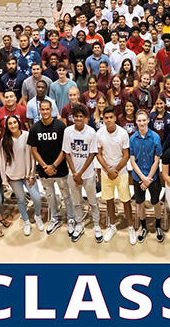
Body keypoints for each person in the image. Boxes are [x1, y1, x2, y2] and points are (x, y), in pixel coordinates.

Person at [28, 99, 73, 236]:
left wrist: (54, 165)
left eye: (48, 109)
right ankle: (55, 218)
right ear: (39, 110)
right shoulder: (35, 128)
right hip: (44, 170)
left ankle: (71, 218)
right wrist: (45, 166)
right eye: (43, 109)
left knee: (66, 195)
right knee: (50, 196)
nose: (46, 112)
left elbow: (65, 149)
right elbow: (34, 150)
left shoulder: (60, 126)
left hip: (60, 169)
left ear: (52, 110)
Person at [0, 115, 43, 236]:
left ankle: (37, 216)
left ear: (18, 123)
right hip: (13, 176)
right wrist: (4, 180)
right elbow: (2, 161)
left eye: (15, 122)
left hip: (28, 174)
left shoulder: (27, 136)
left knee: (37, 198)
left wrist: (32, 174)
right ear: (7, 126)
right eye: (10, 124)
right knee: (21, 199)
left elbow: (33, 156)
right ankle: (26, 221)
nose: (13, 125)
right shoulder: (4, 141)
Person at [95, 106, 134, 244]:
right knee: (109, 200)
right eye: (106, 118)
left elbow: (126, 155)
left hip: (121, 172)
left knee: (125, 200)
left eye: (111, 117)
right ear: (103, 119)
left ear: (115, 118)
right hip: (106, 172)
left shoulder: (123, 133)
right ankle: (112, 226)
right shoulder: (99, 133)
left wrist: (116, 170)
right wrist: (107, 170)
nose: (109, 120)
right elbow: (98, 154)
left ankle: (130, 227)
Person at [62, 103, 100, 243]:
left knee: (93, 202)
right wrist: (74, 173)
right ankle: (79, 225)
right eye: (76, 116)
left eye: (80, 117)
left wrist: (81, 173)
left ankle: (96, 225)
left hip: (88, 174)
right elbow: (67, 153)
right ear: (72, 118)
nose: (78, 119)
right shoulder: (68, 131)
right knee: (76, 202)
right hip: (73, 174)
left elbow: (92, 154)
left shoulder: (91, 132)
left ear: (85, 118)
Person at [129, 109, 164, 243]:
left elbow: (157, 160)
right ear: (136, 122)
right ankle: (143, 227)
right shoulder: (132, 139)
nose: (142, 123)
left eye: (144, 120)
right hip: (138, 178)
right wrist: (142, 178)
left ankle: (158, 226)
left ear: (148, 120)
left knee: (155, 202)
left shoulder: (155, 137)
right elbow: (132, 160)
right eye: (139, 121)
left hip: (152, 178)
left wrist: (148, 178)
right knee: (140, 203)